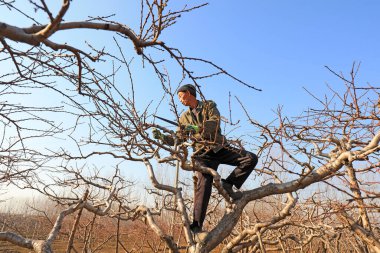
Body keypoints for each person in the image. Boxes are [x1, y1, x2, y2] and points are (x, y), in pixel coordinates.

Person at [152, 84, 258, 235]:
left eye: (181, 97)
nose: (180, 101)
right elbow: (179, 138)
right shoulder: (184, 117)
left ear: (188, 93)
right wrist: (163, 138)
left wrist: (199, 128)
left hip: (219, 147)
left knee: (250, 158)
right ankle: (196, 225)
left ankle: (228, 184)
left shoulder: (209, 105)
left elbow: (214, 123)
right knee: (204, 183)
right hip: (202, 155)